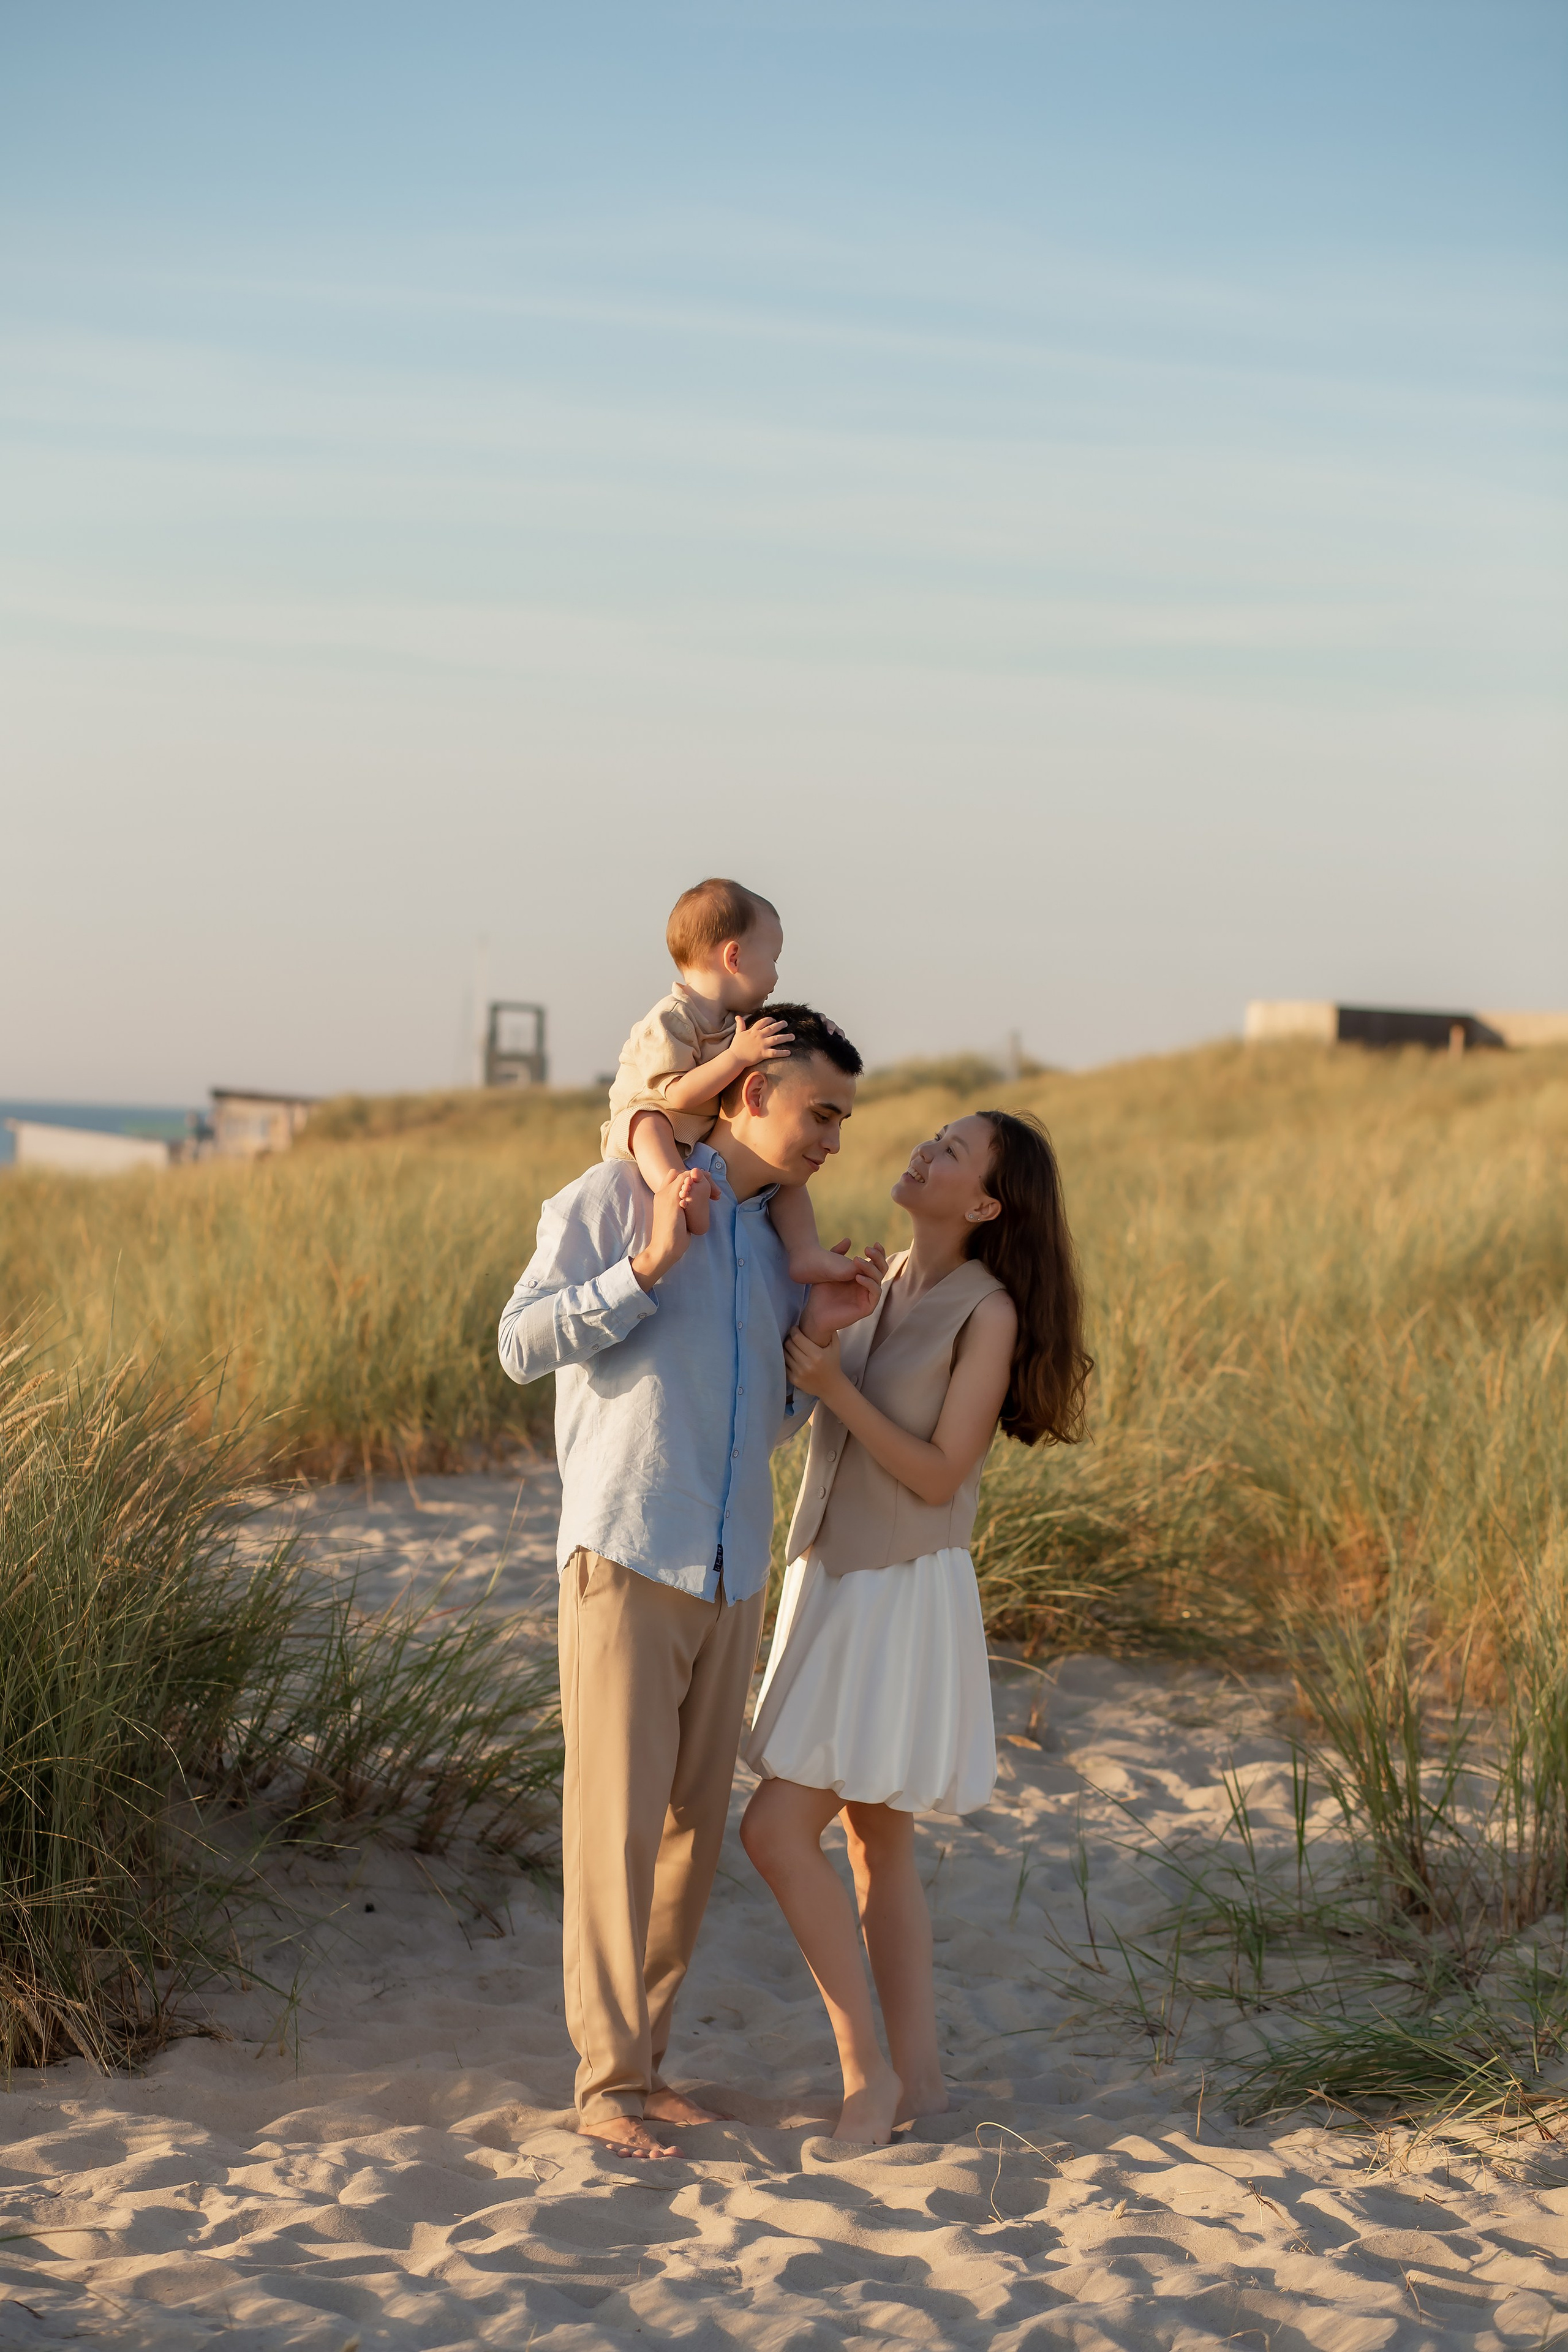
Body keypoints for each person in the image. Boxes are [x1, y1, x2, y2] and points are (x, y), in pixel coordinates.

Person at [497, 1006, 880, 2160]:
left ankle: (647, 2062)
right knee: (612, 1832)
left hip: (734, 1570)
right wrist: (645, 1267)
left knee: (688, 1839)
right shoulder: (615, 1194)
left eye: (844, 1122)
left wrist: (820, 1345)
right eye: (821, 1114)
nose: (831, 1141)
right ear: (750, 1092)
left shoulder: (778, 1246)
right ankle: (605, 2083)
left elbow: (753, 1423)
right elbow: (519, 1344)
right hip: (625, 1551)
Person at [741, 1110, 1091, 2144]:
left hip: (896, 1589)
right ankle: (924, 2082)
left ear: (984, 1205)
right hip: (831, 1571)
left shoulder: (989, 1313)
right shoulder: (885, 1275)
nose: (925, 1150)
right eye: (934, 1136)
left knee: (773, 1830)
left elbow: (942, 1471)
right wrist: (832, 1326)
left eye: (952, 1152)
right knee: (872, 1843)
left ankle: (869, 2081)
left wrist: (838, 1386)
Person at [601, 875, 857, 1286]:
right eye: (773, 958)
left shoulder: (730, 1023)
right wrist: (739, 1055)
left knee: (784, 1170)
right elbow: (679, 1093)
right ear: (734, 957)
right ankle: (676, 1189)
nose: (776, 975)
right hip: (652, 1121)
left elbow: (789, 1047)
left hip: (697, 1135)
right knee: (648, 1122)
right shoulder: (673, 1017)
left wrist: (822, 1031)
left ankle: (805, 1250)